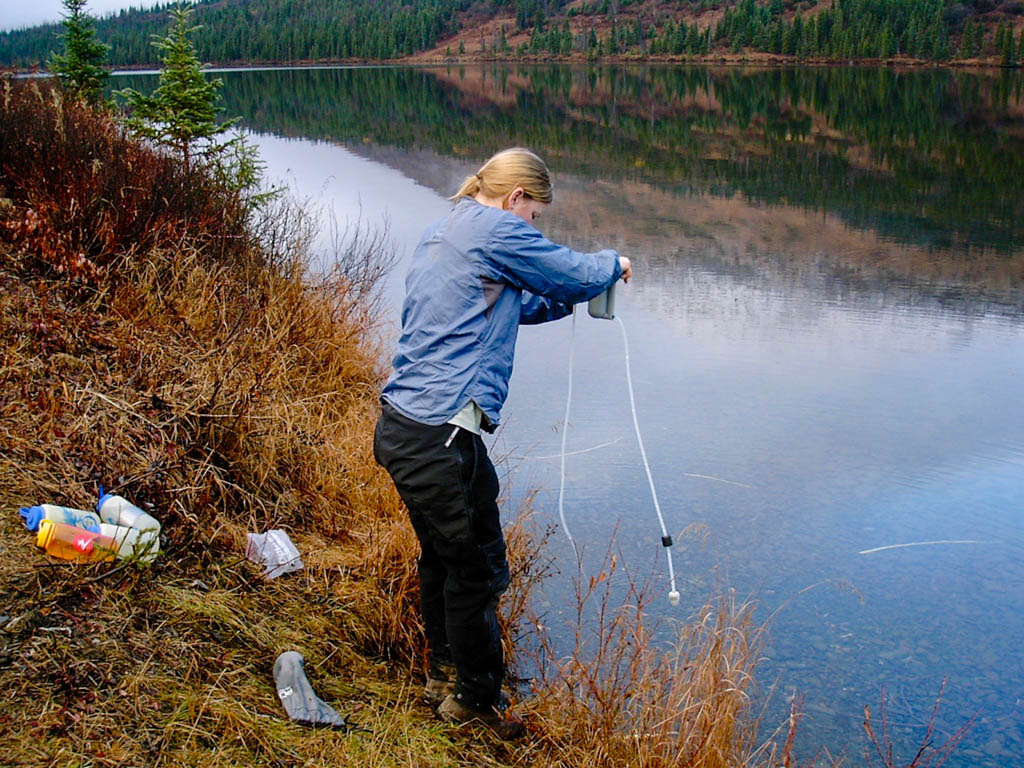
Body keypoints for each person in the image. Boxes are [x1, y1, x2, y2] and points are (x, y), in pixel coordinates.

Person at [373, 147, 630, 738]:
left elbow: (516, 303)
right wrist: (613, 265)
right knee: (478, 571)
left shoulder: (447, 231)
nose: (533, 226)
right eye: (535, 216)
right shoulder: (495, 227)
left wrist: (569, 300)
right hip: (440, 435)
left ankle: (445, 675)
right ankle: (475, 706)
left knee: (444, 557)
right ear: (517, 198)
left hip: (406, 428)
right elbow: (572, 270)